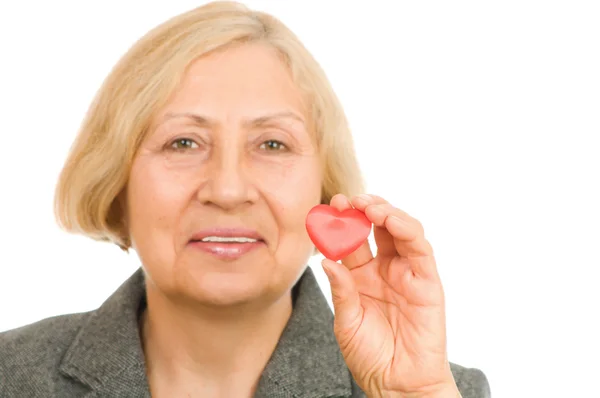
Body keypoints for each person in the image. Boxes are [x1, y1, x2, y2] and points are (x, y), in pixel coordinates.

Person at [0, 2, 491, 397]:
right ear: (115, 182)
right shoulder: (11, 377)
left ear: (325, 191)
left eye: (272, 144)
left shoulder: (441, 390)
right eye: (183, 143)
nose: (228, 190)